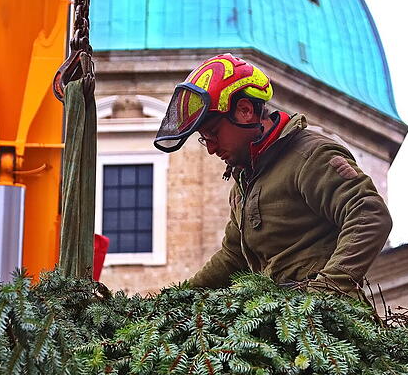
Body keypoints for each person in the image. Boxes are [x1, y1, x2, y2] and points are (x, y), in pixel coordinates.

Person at [153, 53, 392, 300]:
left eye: (214, 133)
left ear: (245, 111)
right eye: (205, 139)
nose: (211, 148)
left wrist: (324, 292)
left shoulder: (309, 156)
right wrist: (175, 300)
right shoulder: (245, 182)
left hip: (322, 317)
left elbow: (369, 214)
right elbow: (233, 257)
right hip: (281, 313)